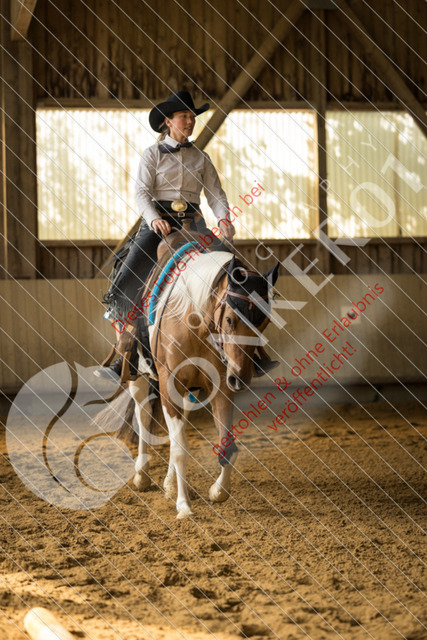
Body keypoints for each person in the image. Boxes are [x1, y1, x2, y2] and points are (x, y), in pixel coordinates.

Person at [95, 90, 277, 379]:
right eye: (184, 116)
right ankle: (126, 355)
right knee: (126, 280)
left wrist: (224, 219)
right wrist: (154, 219)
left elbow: (216, 194)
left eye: (192, 117)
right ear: (168, 121)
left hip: (195, 226)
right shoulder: (151, 154)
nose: (190, 121)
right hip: (159, 225)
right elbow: (141, 193)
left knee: (238, 276)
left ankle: (253, 352)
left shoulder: (201, 158)